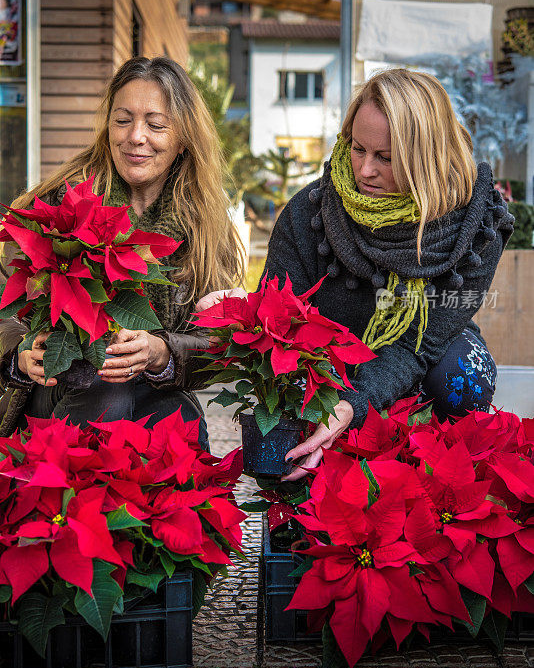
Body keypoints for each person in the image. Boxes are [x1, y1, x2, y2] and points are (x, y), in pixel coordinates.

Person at [201, 68, 514, 479]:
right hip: (328, 366)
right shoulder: (309, 214)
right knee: (284, 424)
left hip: (419, 358)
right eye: (357, 148)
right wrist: (244, 310)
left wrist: (354, 402)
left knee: (461, 374)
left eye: (385, 157)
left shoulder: (475, 225)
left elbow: (420, 346)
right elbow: (281, 327)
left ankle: (441, 487)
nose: (365, 171)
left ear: (427, 157)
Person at [0, 56, 244, 445]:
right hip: (55, 389)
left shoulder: (206, 230)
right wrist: (19, 353)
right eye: (123, 119)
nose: (135, 136)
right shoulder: (62, 201)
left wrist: (163, 352)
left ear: (182, 138)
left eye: (156, 124)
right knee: (105, 390)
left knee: (178, 414)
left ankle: (158, 506)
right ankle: (64, 500)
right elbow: (6, 304)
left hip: (147, 389)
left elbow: (216, 346)